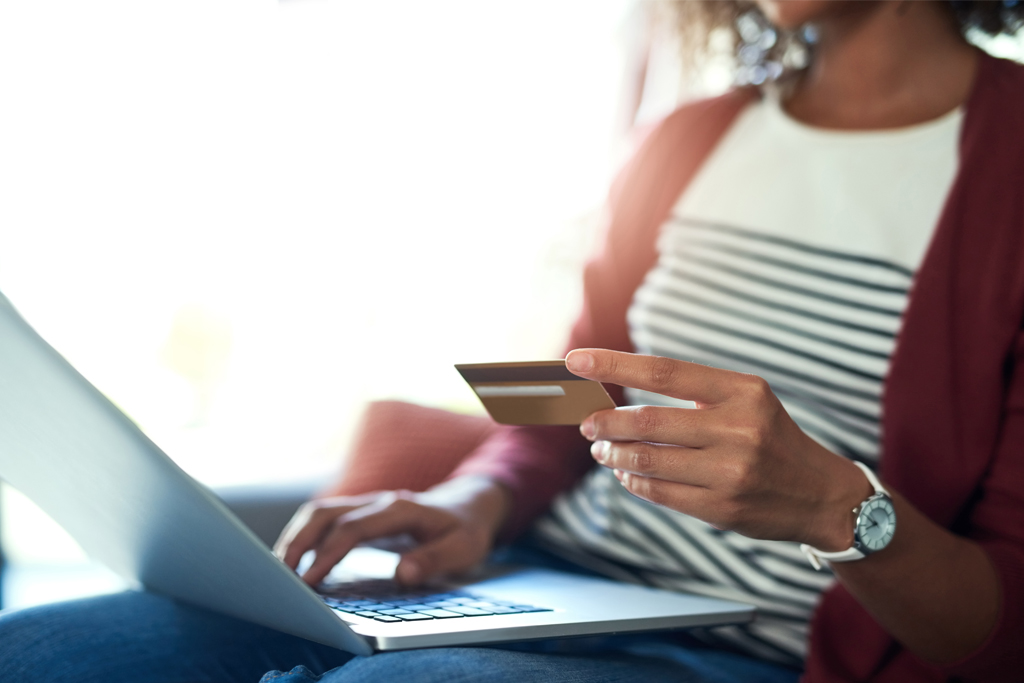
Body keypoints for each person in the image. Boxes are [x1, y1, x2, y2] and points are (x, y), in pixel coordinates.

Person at [2, 1, 1023, 681]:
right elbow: (570, 397)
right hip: (547, 583)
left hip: (745, 648)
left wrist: (835, 506)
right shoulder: (690, 136)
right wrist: (469, 500)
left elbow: (1002, 625)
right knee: (40, 649)